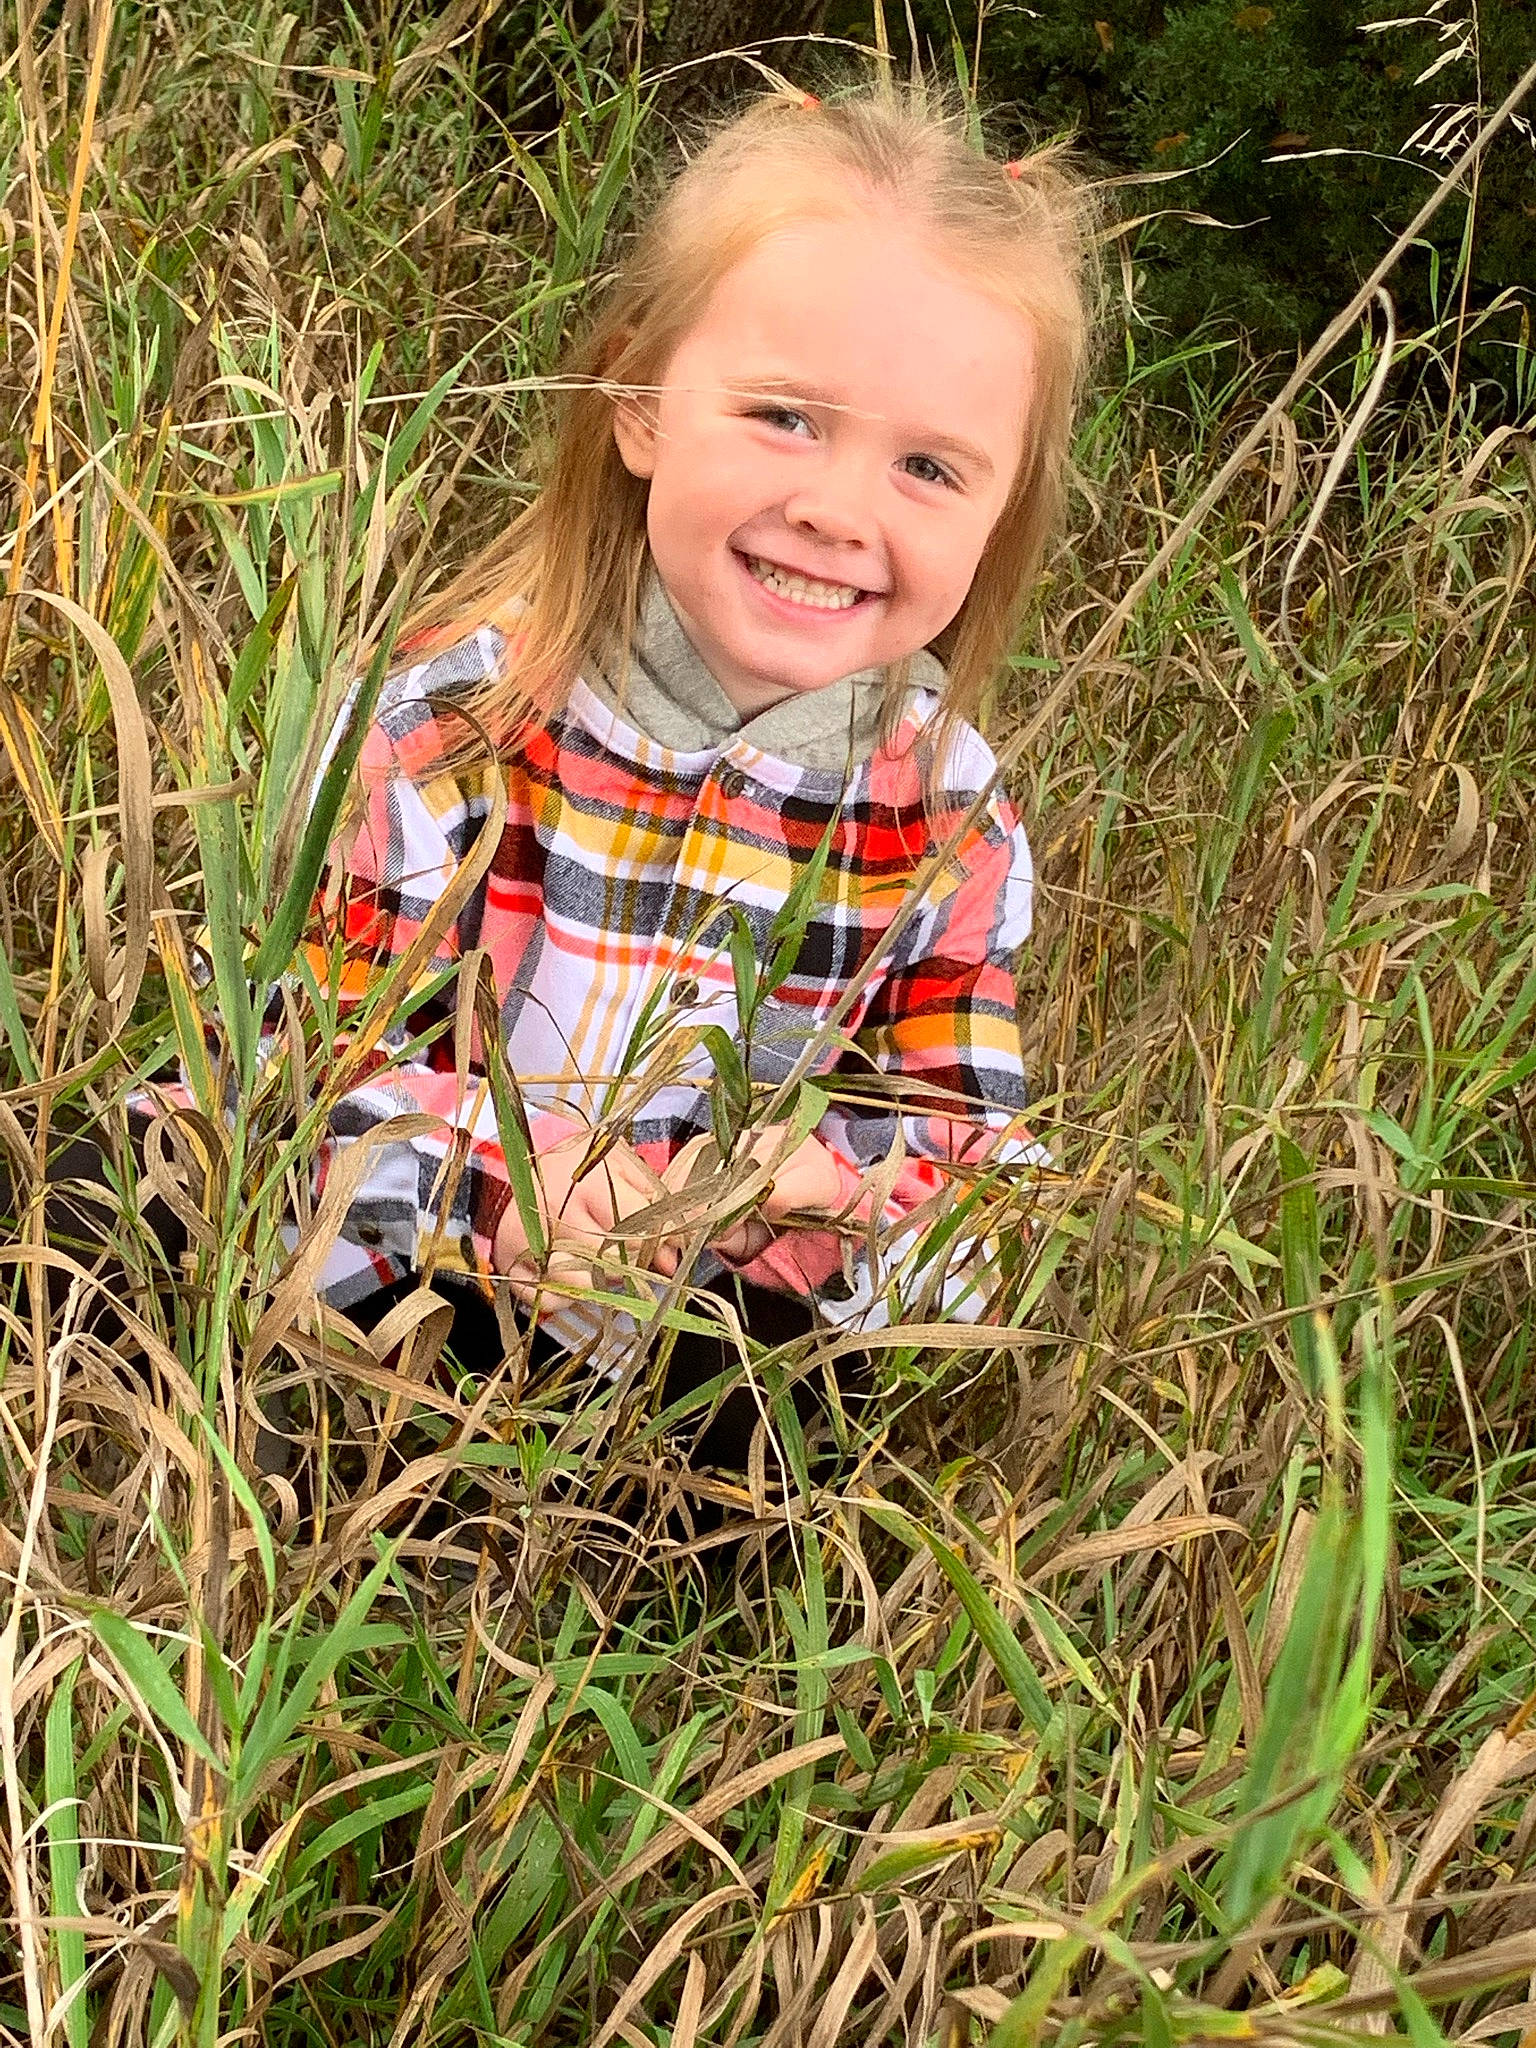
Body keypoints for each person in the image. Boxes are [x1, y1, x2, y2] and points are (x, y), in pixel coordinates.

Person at [236, 85, 1094, 1470]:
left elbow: (981, 1177)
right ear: (639, 402)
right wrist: (503, 1182)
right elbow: (294, 1068)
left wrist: (824, 1190)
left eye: (930, 466)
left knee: (779, 1411)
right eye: (785, 417)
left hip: (687, 1355)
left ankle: (635, 1578)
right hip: (396, 1297)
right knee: (99, 1179)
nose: (838, 509)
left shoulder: (947, 822)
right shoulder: (452, 720)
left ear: (1000, 518)